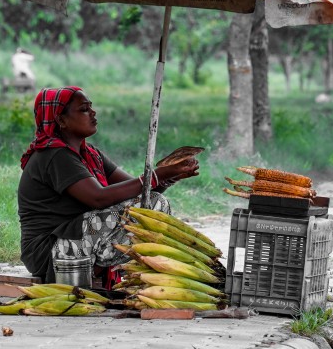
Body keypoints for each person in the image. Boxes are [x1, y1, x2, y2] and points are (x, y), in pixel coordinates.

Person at [17, 86, 200, 284]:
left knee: (152, 204)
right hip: (49, 251)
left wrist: (170, 176)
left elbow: (141, 192)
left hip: (75, 237)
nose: (93, 112)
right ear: (61, 120)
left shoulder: (90, 154)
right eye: (84, 109)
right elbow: (98, 198)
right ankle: (98, 270)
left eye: (91, 107)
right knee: (154, 205)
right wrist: (158, 175)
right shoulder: (54, 155)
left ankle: (101, 270)